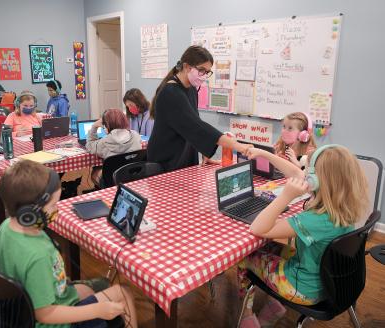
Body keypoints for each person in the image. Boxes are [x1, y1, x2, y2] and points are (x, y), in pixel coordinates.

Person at [237, 145, 368, 328]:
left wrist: (285, 196)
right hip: (326, 281)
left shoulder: (315, 220)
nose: (303, 173)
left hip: (301, 288)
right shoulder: (342, 208)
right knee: (265, 248)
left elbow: (258, 228)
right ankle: (274, 306)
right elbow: (294, 173)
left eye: (307, 170)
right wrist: (264, 154)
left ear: (315, 181)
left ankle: (247, 314)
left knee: (245, 255)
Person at [0, 159, 138, 328]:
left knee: (94, 287)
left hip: (42, 301)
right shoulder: (38, 256)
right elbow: (45, 314)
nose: (57, 209)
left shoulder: (6, 227)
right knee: (124, 292)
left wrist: (71, 289)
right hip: (56, 322)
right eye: (53, 205)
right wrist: (97, 310)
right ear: (29, 214)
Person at [147, 45, 251, 172]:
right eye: (201, 70)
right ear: (186, 67)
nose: (204, 75)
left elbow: (193, 127)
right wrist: (239, 146)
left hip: (184, 157)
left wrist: (204, 151)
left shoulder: (191, 89)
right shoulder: (170, 93)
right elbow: (197, 126)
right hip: (166, 160)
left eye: (207, 72)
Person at [86, 109, 142, 186]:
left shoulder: (104, 142)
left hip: (112, 180)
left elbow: (89, 146)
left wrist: (94, 127)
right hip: (134, 176)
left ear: (107, 125)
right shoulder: (136, 135)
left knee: (95, 171)